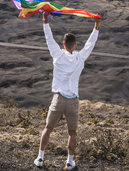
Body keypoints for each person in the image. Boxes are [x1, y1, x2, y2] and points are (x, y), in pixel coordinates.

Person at [34, 12, 101, 170]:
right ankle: (70, 162)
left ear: (63, 44)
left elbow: (49, 38)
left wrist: (45, 20)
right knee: (72, 133)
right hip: (73, 101)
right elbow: (91, 44)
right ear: (75, 44)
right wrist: (96, 26)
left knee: (48, 128)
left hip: (58, 99)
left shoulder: (57, 55)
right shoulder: (80, 57)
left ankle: (40, 158)